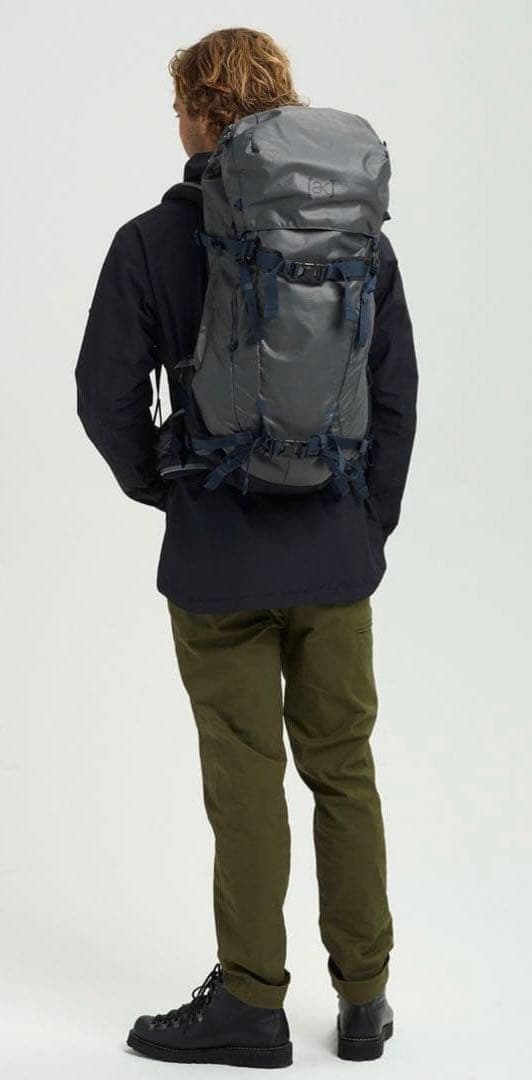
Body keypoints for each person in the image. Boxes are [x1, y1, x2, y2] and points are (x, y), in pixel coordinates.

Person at [74, 26, 418, 1069]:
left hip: (217, 560)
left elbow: (104, 395)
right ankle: (364, 1001)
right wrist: (366, 525)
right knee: (344, 771)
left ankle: (252, 1006)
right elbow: (395, 395)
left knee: (246, 783)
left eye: (179, 108)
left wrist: (170, 487)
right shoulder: (357, 236)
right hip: (335, 555)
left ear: (199, 117)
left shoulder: (150, 240)